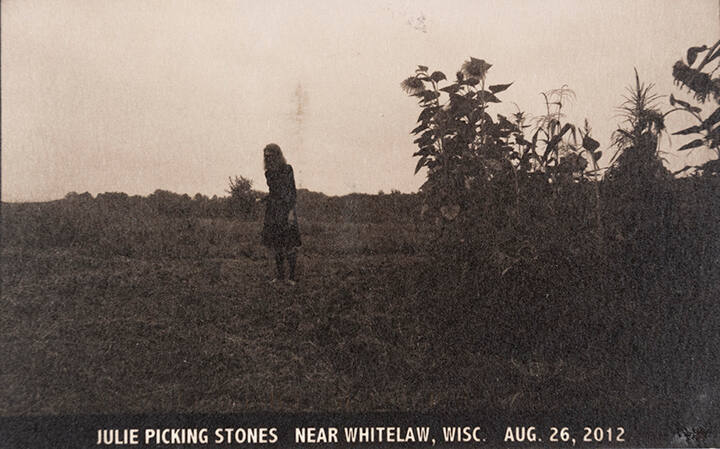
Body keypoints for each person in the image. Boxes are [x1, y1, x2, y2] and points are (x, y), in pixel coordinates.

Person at [261, 143, 301, 284]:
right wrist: (263, 198)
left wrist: (290, 212)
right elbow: (274, 193)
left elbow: (292, 192)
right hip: (273, 211)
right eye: (266, 156)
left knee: (289, 244)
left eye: (270, 155)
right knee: (277, 244)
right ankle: (280, 276)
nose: (268, 158)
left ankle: (292, 277)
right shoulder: (268, 173)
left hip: (286, 210)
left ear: (277, 155)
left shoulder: (287, 169)